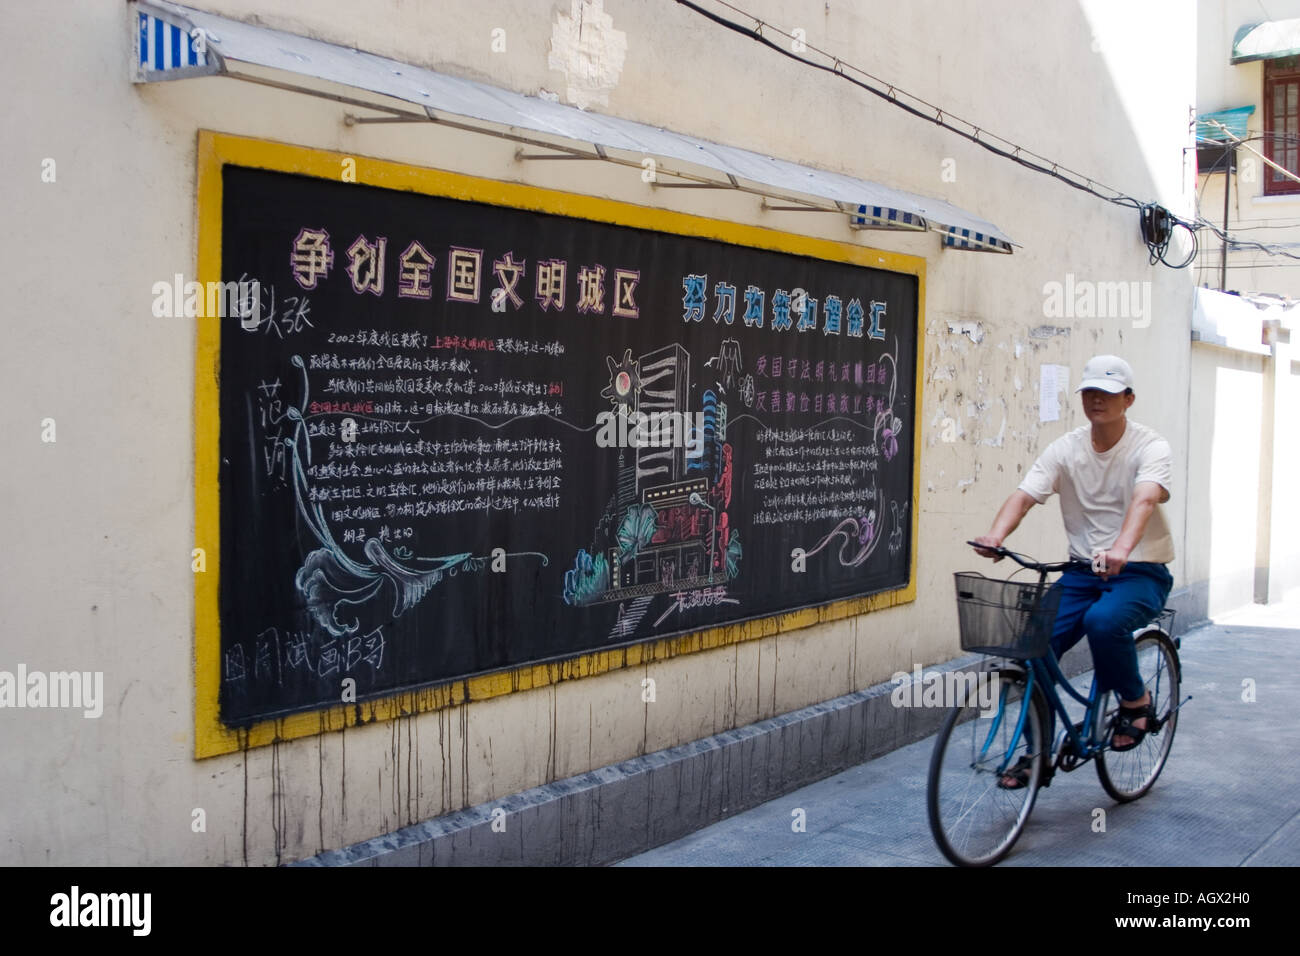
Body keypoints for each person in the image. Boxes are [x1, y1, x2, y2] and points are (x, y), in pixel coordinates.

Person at [972, 355, 1175, 788]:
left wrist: (1123, 548)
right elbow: (1025, 494)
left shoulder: (1150, 447)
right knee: (1030, 644)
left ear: (1129, 398)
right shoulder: (1067, 448)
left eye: (1108, 391)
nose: (1097, 399)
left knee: (1103, 623)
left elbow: (1144, 498)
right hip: (1083, 572)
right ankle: (1037, 751)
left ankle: (1136, 702)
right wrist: (995, 535)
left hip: (1140, 572)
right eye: (1089, 392)